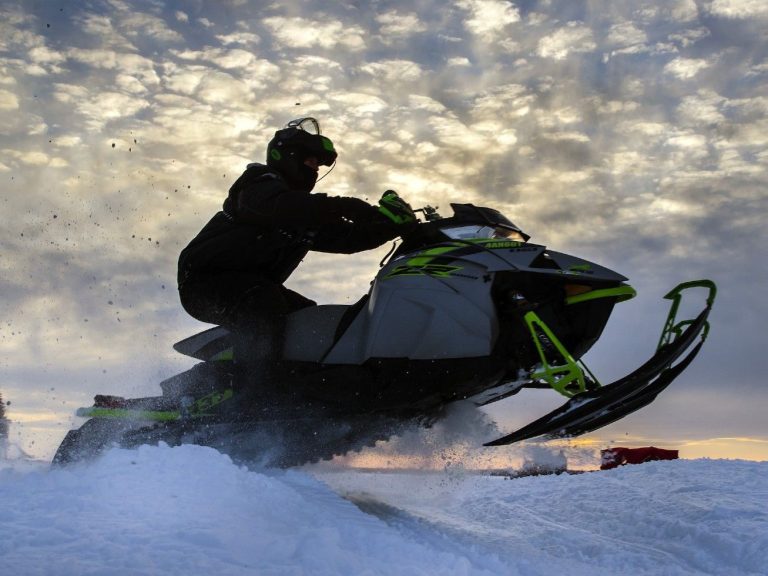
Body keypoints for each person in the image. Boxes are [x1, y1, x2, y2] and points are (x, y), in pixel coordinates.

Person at [177, 117, 416, 387]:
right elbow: (279, 206)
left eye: (318, 165)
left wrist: (390, 226)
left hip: (250, 287)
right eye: (310, 161)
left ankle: (310, 387)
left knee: (311, 320)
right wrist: (349, 206)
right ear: (287, 156)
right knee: (263, 301)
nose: (314, 169)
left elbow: (346, 239)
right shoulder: (257, 183)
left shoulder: (302, 217)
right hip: (204, 283)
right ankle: (255, 391)